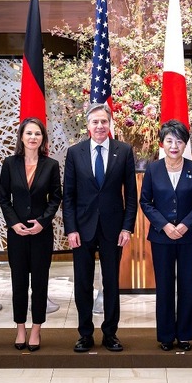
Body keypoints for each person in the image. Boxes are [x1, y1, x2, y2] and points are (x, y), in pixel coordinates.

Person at [63, 103, 137, 353]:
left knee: (111, 282)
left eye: (104, 121)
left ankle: (110, 333)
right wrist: (70, 229)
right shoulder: (75, 153)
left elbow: (131, 195)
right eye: (95, 122)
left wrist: (127, 228)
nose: (99, 126)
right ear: (87, 126)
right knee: (82, 283)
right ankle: (85, 334)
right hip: (81, 230)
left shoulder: (124, 151)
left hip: (113, 229)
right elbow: (69, 196)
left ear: (110, 124)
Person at [140, 120, 192, 352]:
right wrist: (165, 225)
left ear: (185, 144)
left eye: (179, 141)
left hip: (189, 237)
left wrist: (186, 225)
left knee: (188, 284)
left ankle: (186, 335)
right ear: (162, 143)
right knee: (165, 286)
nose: (174, 145)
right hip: (162, 238)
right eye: (169, 141)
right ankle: (167, 335)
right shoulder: (153, 169)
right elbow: (145, 202)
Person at [0, 117, 62, 352]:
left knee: (39, 283)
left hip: (41, 233)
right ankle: (20, 328)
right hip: (16, 234)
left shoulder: (51, 165)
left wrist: (43, 222)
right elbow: (4, 198)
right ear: (22, 137)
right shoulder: (9, 164)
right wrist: (14, 224)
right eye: (29, 134)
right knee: (18, 283)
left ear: (42, 138)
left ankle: (36, 328)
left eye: (37, 134)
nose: (33, 138)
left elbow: (56, 197)